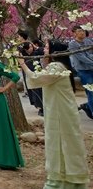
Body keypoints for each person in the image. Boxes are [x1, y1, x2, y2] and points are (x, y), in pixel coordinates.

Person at [18, 40, 89, 188]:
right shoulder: (59, 66)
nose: (44, 50)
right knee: (63, 143)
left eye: (47, 47)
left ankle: (63, 180)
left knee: (61, 143)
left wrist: (22, 64)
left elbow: (36, 79)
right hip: (60, 111)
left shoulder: (56, 67)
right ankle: (67, 178)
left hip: (60, 113)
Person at [68, 25, 93, 119]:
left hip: (92, 68)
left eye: (83, 30)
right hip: (84, 71)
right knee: (91, 91)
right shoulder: (72, 44)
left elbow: (91, 54)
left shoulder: (89, 41)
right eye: (79, 31)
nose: (82, 32)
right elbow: (81, 57)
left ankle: (87, 106)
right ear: (74, 33)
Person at [18, 41, 44, 116]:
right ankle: (39, 107)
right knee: (33, 91)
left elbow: (42, 50)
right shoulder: (23, 55)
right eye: (30, 47)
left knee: (40, 90)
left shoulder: (35, 52)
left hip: (38, 74)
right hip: (28, 75)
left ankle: (42, 107)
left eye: (32, 46)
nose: (31, 48)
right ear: (25, 49)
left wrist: (35, 46)